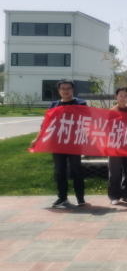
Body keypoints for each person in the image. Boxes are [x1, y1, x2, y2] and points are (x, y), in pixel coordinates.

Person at [31, 79, 87, 208]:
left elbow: (88, 119)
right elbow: (46, 124)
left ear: (72, 89)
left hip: (74, 143)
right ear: (59, 90)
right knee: (59, 171)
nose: (66, 91)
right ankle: (62, 197)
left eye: (68, 88)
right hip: (57, 143)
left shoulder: (80, 103)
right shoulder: (54, 105)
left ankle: (80, 197)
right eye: (63, 88)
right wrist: (37, 139)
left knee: (76, 170)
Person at [108, 87, 127, 205]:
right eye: (120, 95)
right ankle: (114, 195)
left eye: (125, 96)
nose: (122, 98)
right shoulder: (112, 111)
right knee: (114, 171)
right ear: (116, 96)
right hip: (116, 145)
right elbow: (108, 127)